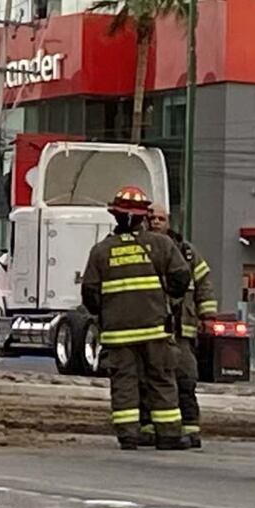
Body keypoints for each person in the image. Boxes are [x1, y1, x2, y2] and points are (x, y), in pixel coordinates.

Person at [81, 186, 192, 450]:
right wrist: (168, 299)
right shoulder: (161, 245)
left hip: (117, 334)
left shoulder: (101, 251)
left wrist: (108, 313)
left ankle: (129, 435)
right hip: (155, 330)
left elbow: (90, 295)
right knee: (161, 379)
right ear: (144, 217)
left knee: (124, 383)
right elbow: (181, 277)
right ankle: (169, 435)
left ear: (115, 215)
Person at [138, 203, 217, 449]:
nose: (155, 222)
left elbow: (203, 283)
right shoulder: (139, 249)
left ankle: (190, 427)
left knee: (185, 379)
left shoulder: (187, 252)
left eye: (160, 218)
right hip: (151, 328)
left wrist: (208, 315)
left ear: (169, 221)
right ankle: (149, 427)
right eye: (151, 218)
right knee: (149, 378)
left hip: (182, 329)